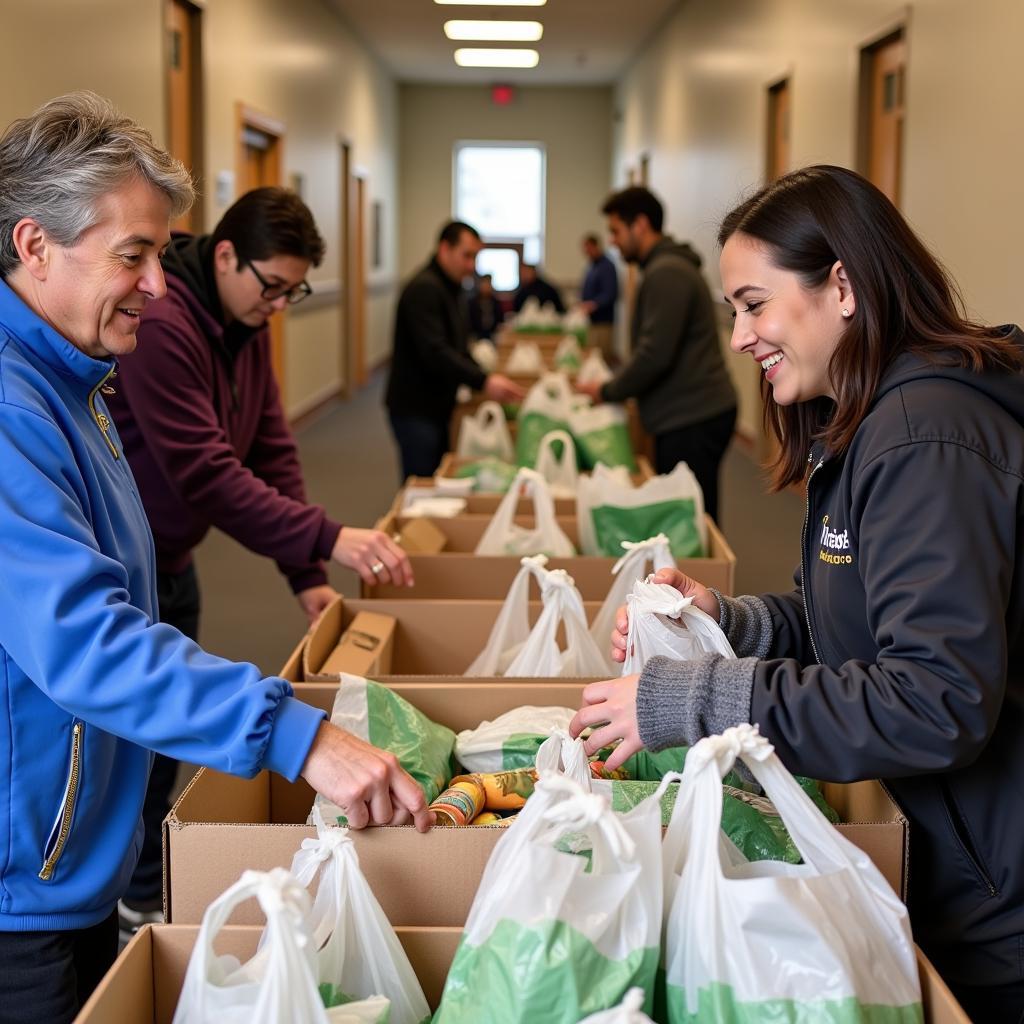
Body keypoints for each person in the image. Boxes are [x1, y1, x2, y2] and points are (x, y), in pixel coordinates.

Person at [0, 92, 431, 1024]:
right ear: (35, 246)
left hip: (67, 847)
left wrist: (305, 569)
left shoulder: (76, 375)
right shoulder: (12, 409)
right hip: (21, 874)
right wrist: (298, 733)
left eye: (162, 253)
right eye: (134, 256)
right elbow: (85, 641)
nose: (159, 284)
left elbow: (263, 453)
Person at [571, 165, 1024, 1022]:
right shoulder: (866, 418)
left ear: (843, 287)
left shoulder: (925, 439)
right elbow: (852, 626)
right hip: (952, 850)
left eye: (753, 304)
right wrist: (730, 622)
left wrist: (691, 697)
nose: (740, 336)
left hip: (998, 889)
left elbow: (933, 699)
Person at [104, 185, 414, 934]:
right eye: (271, 286)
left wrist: (307, 575)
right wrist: (329, 539)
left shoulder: (244, 324)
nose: (279, 305)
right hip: (119, 562)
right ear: (223, 255)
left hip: (171, 554)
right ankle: (117, 898)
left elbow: (271, 448)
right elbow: (206, 470)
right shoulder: (166, 323)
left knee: (160, 749)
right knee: (123, 745)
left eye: (293, 290)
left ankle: (144, 892)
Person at [577, 186, 737, 522]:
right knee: (689, 511)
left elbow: (655, 354)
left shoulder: (667, 273)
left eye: (616, 231)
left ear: (641, 225)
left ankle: (704, 576)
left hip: (693, 414)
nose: (613, 242)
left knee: (692, 517)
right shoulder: (664, 268)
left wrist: (608, 390)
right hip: (689, 411)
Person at [385, 221, 524, 479]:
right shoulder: (425, 289)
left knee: (438, 473)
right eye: (467, 255)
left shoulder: (450, 288)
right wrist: (483, 380)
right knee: (422, 480)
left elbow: (458, 346)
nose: (472, 265)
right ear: (444, 249)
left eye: (475, 257)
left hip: (437, 403)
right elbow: (435, 351)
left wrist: (484, 375)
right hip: (416, 407)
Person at [578, 233, 619, 361]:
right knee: (592, 356)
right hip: (592, 321)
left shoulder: (607, 266)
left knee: (602, 357)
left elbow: (610, 293)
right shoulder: (592, 266)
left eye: (589, 249)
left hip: (603, 321)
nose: (587, 252)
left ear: (596, 247)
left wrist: (593, 304)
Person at [467, 272, 504, 340]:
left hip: (493, 335)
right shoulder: (472, 303)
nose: (486, 286)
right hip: (477, 336)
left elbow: (500, 320)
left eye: (488, 284)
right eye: (484, 283)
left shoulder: (496, 302)